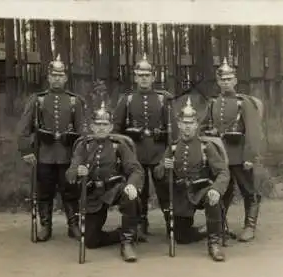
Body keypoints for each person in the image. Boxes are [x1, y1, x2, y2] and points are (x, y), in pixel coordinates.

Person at [16, 55, 88, 242]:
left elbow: (82, 133)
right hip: (43, 155)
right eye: (53, 75)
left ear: (65, 78)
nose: (57, 78)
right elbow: (23, 129)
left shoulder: (75, 101)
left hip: (67, 155)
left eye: (60, 75)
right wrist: (26, 151)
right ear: (48, 77)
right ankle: (45, 226)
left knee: (70, 191)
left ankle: (73, 225)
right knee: (44, 191)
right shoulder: (37, 100)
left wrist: (79, 157)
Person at [66, 101, 144, 262]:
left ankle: (128, 243)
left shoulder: (118, 146)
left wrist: (131, 184)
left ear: (110, 127)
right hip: (93, 193)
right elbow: (71, 172)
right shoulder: (84, 145)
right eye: (97, 124)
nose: (101, 128)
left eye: (105, 124)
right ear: (92, 127)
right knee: (90, 241)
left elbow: (135, 169)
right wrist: (77, 172)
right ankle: (120, 234)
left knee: (130, 196)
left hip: (114, 189)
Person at [153, 97, 230, 262]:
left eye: (190, 123)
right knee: (181, 237)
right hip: (182, 195)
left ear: (196, 125)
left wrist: (216, 189)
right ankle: (205, 230)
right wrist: (164, 167)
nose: (187, 127)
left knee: (212, 199)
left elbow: (223, 172)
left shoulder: (205, 147)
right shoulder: (173, 147)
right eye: (184, 123)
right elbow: (157, 174)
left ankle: (214, 243)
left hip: (201, 190)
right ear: (179, 125)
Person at [112, 53, 177, 238]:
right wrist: (124, 156)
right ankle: (140, 224)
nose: (144, 79)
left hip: (159, 153)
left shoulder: (164, 99)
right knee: (139, 191)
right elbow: (117, 130)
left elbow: (174, 134)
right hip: (136, 154)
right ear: (135, 77)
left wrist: (166, 158)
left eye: (147, 75)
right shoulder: (127, 99)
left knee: (165, 190)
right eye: (140, 75)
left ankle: (171, 224)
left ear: (154, 77)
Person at [201, 57, 263, 242]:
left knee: (248, 191)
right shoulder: (213, 103)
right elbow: (203, 127)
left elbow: (253, 131)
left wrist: (249, 156)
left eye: (229, 79)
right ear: (218, 81)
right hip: (221, 156)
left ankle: (250, 226)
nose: (226, 82)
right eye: (222, 79)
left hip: (240, 154)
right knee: (222, 190)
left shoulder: (243, 102)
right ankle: (220, 225)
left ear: (235, 81)